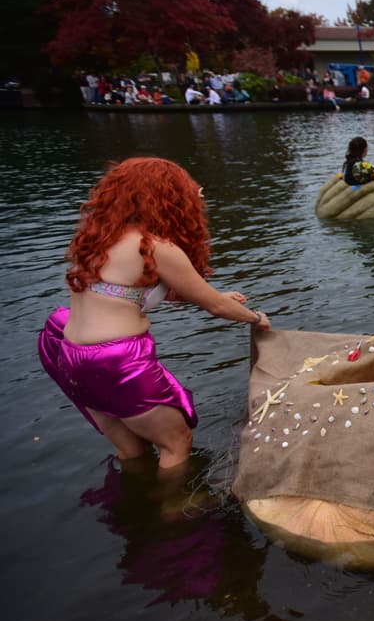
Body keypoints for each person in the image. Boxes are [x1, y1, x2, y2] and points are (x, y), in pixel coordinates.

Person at [38, 158, 271, 470]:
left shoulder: (96, 237)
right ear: (168, 200)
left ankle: (134, 508)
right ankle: (176, 513)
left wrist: (217, 296)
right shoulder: (154, 246)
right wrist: (255, 317)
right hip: (117, 362)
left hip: (70, 355)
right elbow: (214, 306)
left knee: (132, 450)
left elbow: (124, 293)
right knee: (176, 444)